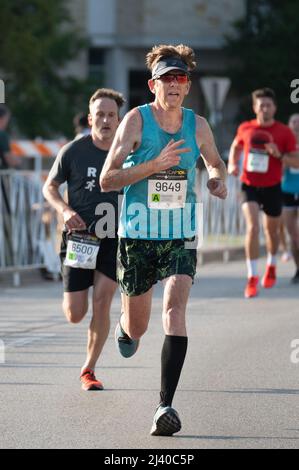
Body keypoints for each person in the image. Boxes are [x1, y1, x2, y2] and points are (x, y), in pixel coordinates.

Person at [100, 44, 227, 436]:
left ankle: (165, 405)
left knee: (174, 308)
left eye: (181, 78)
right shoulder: (136, 123)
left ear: (187, 87)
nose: (174, 84)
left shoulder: (198, 125)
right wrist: (154, 166)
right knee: (138, 327)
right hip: (138, 233)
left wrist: (215, 177)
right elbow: (107, 178)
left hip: (180, 232)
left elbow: (216, 162)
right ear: (153, 84)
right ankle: (125, 327)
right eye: (167, 78)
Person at [43, 88, 125, 391]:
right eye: (100, 114)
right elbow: (49, 188)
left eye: (111, 115)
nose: (105, 120)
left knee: (102, 302)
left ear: (119, 120)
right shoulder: (74, 151)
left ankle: (89, 370)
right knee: (75, 314)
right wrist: (64, 210)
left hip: (114, 240)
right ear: (91, 118)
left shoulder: (127, 154)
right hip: (80, 239)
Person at [228, 88, 298, 298]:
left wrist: (279, 155)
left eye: (268, 105)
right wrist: (232, 163)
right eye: (261, 105)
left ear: (274, 108)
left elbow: (296, 160)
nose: (264, 108)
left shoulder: (284, 132)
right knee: (253, 227)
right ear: (255, 107)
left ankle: (272, 263)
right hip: (249, 184)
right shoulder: (245, 127)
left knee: (272, 231)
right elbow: (236, 146)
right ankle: (252, 277)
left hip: (273, 186)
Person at [281, 114, 299, 283]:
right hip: (287, 191)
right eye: (293, 122)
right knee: (293, 236)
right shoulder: (284, 145)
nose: (296, 125)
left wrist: (284, 158)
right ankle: (298, 267)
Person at [0, 105, 20, 169]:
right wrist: (18, 162)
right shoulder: (2, 135)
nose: (7, 122)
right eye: (6, 119)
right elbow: (9, 159)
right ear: (1, 119)